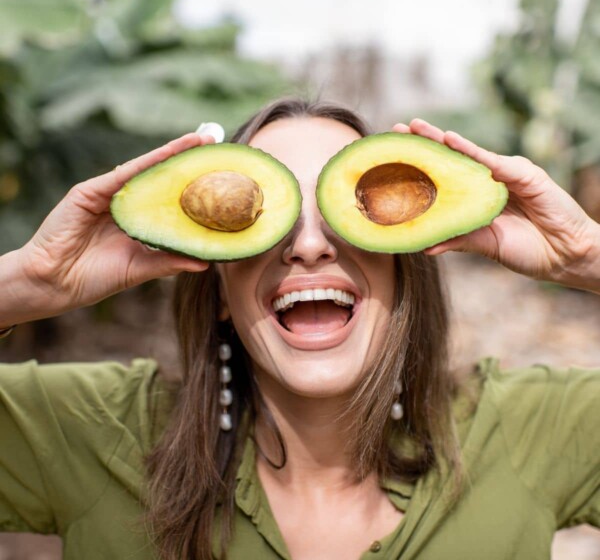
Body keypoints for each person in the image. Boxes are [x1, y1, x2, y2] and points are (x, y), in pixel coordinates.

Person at [0, 98, 598, 560]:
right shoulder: (98, 433)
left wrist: (587, 256)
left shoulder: (524, 432)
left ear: (402, 271)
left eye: (345, 211)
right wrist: (26, 286)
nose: (309, 246)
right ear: (220, 295)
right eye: (274, 216)